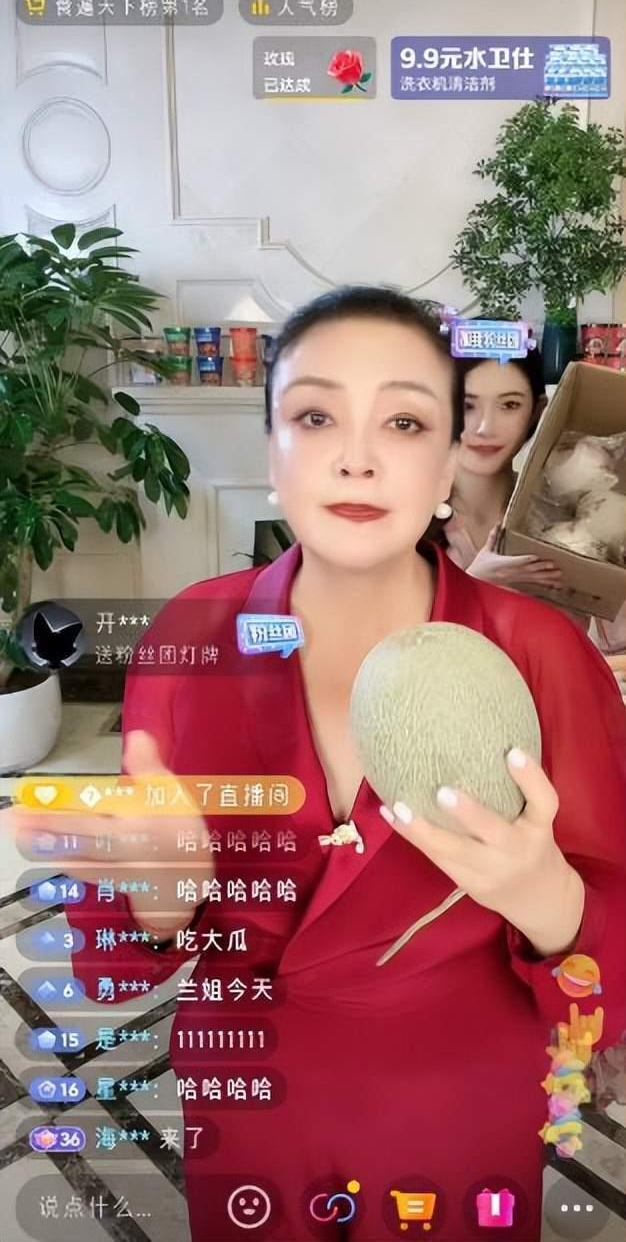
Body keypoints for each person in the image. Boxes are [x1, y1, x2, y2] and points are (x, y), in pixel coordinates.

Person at [14, 288, 626, 1241]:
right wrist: (160, 898)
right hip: (251, 1090)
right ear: (272, 455)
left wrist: (546, 898)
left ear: (449, 459)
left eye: (405, 421)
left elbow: (610, 965)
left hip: (457, 1101)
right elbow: (111, 958)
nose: (357, 457)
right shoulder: (192, 636)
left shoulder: (538, 653)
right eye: (314, 416)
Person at [441, 349, 626, 684]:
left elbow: (614, 644)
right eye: (466, 405)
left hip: (559, 705)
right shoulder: (406, 523)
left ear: (538, 411)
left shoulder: (568, 512)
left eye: (510, 405)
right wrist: (473, 587)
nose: (484, 427)